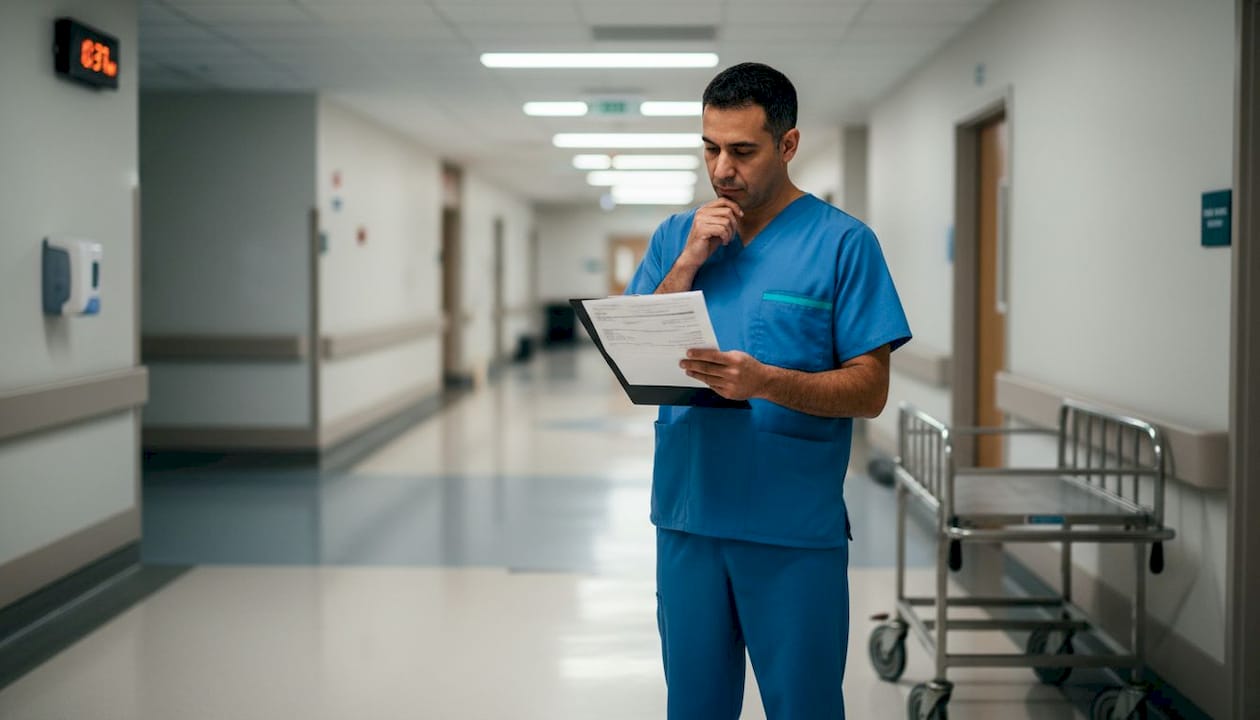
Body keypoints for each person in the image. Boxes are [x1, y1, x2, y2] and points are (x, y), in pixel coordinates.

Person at [625, 62, 912, 719]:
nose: (722, 168)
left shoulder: (843, 244)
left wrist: (765, 382)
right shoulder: (676, 237)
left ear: (788, 145)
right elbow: (637, 350)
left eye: (742, 151)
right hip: (688, 518)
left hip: (791, 531)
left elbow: (869, 390)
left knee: (804, 706)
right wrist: (690, 261)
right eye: (710, 148)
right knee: (694, 706)